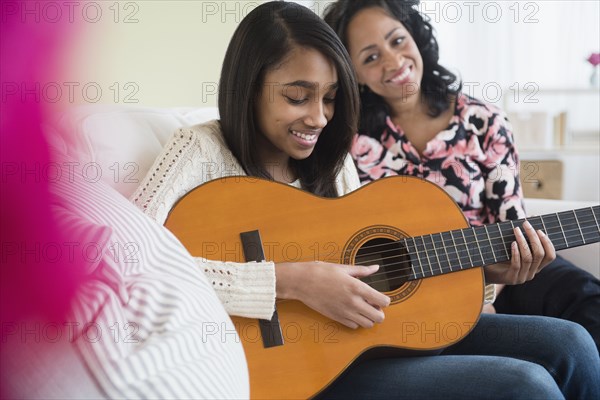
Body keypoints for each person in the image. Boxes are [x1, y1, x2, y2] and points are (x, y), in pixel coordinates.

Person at [132, 2, 600, 399]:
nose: (318, 118)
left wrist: (485, 274)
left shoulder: (333, 160)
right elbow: (126, 267)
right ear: (248, 88)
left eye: (331, 98)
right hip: (304, 367)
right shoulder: (198, 149)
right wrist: (288, 281)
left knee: (573, 344)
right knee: (525, 383)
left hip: (368, 338)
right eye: (298, 96)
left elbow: (376, 275)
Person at [323, 0, 600, 354]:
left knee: (589, 303)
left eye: (396, 41)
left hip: (500, 270)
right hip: (409, 289)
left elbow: (510, 224)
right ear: (354, 73)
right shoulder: (345, 140)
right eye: (371, 58)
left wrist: (488, 289)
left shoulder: (485, 120)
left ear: (415, 37)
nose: (394, 62)